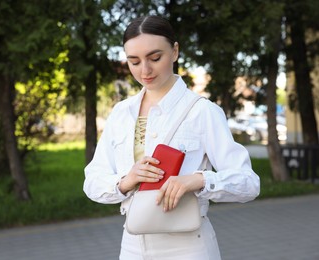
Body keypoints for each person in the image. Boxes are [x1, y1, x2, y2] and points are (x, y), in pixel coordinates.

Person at [83, 15, 260, 259]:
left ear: (175, 51)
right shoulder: (121, 113)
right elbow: (92, 181)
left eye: (155, 58)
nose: (145, 70)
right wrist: (125, 181)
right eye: (134, 61)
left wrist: (197, 180)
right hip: (133, 246)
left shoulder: (202, 111)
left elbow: (249, 184)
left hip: (189, 247)